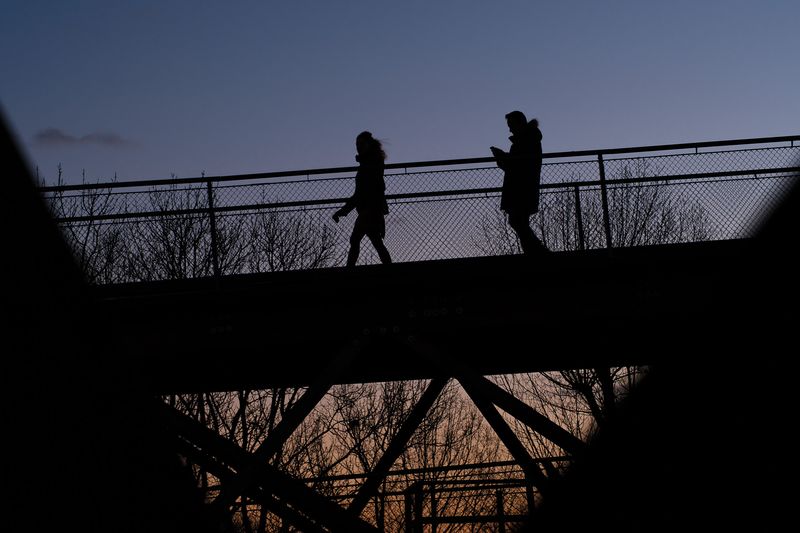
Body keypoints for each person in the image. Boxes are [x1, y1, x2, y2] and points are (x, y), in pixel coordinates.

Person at [490, 110, 548, 255]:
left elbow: (517, 166)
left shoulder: (525, 141)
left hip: (521, 188)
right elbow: (518, 164)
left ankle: (538, 252)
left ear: (518, 123)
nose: (509, 128)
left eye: (511, 124)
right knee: (519, 222)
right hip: (524, 187)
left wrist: (502, 158)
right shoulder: (529, 139)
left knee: (517, 221)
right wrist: (504, 158)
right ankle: (535, 252)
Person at [332, 131, 393, 267]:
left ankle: (350, 269)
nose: (358, 147)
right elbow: (357, 194)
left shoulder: (374, 161)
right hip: (368, 208)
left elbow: (373, 179)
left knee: (355, 239)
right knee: (376, 242)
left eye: (361, 144)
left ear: (368, 144)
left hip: (371, 208)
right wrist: (343, 211)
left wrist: (343, 211)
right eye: (357, 144)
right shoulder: (367, 164)